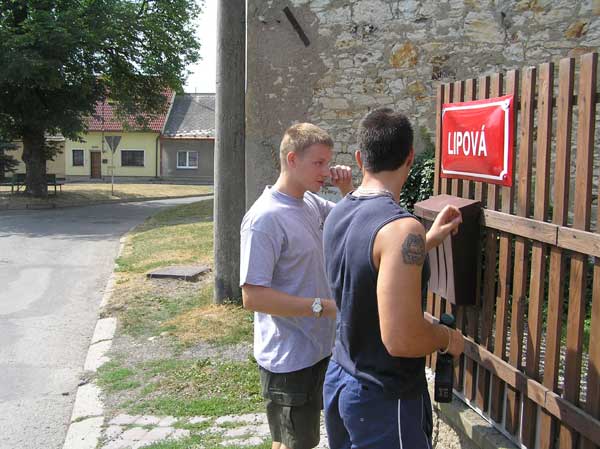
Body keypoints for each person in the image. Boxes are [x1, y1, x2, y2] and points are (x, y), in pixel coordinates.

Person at [322, 108, 465, 449]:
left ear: (360, 158)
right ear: (410, 157)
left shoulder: (339, 212)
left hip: (341, 378)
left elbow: (369, 262)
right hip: (384, 397)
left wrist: (429, 239)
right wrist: (447, 338)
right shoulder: (401, 229)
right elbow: (401, 339)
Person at [240, 123, 353, 449]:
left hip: (319, 350)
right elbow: (252, 296)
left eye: (328, 162)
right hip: (288, 360)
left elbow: (352, 222)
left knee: (294, 441)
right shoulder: (265, 218)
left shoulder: (310, 202)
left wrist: (346, 189)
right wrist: (322, 307)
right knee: (294, 444)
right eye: (319, 163)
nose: (327, 171)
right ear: (292, 159)